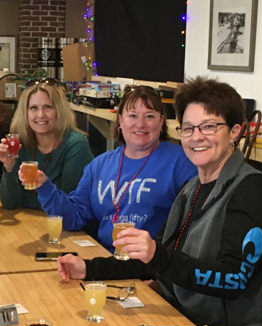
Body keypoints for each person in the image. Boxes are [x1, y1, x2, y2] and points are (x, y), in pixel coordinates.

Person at [57, 78, 262, 326]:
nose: (197, 137)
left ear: (235, 131)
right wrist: (89, 268)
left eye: (209, 127)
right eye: (189, 128)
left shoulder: (251, 189)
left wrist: (158, 255)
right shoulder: (192, 188)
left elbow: (234, 280)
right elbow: (156, 258)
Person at [33, 85, 196, 251]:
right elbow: (74, 217)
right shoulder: (99, 165)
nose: (140, 124)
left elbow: (192, 231)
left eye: (149, 116)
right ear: (120, 120)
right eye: (132, 116)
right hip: (105, 258)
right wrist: (45, 187)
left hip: (150, 265)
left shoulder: (182, 163)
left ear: (161, 121)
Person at [0, 79, 93, 210]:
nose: (40, 115)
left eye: (48, 107)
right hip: (30, 225)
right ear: (26, 113)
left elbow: (69, 205)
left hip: (66, 227)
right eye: (34, 108)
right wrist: (9, 166)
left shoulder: (76, 144)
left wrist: (26, 199)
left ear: (58, 111)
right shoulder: (20, 143)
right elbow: (10, 203)